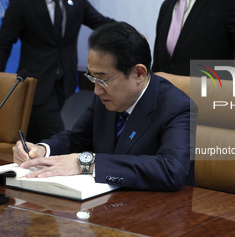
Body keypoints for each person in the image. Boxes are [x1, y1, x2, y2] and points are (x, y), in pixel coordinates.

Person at [13, 21, 198, 191]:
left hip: (157, 215)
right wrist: (43, 150)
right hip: (104, 203)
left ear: (139, 73)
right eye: (92, 78)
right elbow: (78, 138)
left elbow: (171, 170)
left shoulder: (177, 107)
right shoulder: (106, 96)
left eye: (103, 79)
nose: (96, 90)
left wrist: (87, 163)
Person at [0, 0, 114, 143]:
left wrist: (129, 33)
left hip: (65, 84)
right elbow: (3, 42)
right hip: (37, 85)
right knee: (59, 137)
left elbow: (101, 22)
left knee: (33, 139)